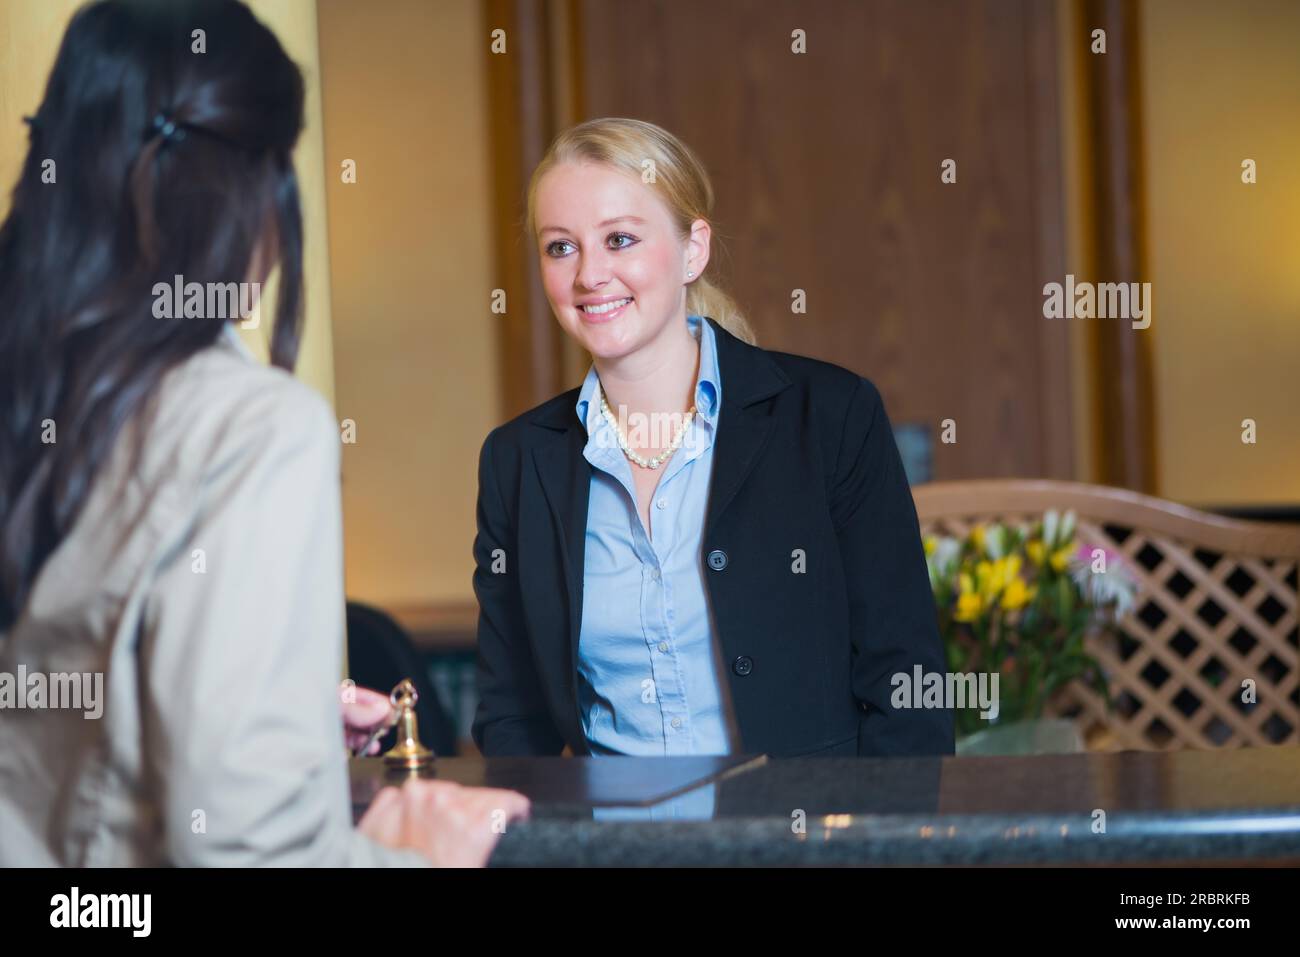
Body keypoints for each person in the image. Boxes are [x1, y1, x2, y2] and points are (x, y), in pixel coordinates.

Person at [0, 0, 526, 867]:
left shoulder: (47, 390)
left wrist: (274, 716)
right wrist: (409, 849)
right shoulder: (251, 429)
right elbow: (250, 848)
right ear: (259, 188)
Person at [472, 117, 953, 759]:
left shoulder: (831, 415)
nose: (589, 274)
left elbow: (907, 686)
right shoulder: (516, 460)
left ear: (693, 249)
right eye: (561, 247)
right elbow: (512, 716)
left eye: (619, 239)